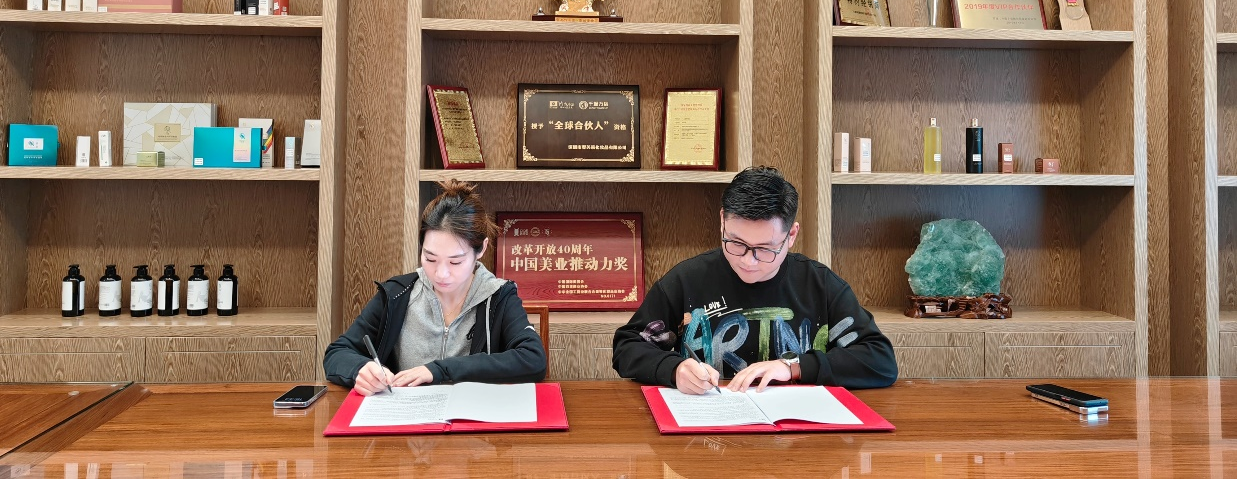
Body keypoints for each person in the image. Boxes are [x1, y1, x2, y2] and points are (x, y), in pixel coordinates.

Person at [612, 166, 897, 394]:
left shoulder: (820, 285)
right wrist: (673, 369)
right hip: (709, 433)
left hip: (798, 437)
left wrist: (794, 367)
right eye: (736, 243)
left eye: (765, 248)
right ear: (722, 221)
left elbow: (879, 360)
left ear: (791, 235)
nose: (749, 261)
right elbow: (627, 346)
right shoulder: (687, 280)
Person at [324, 180, 547, 394]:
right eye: (430, 258)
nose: (441, 273)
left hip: (472, 415)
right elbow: (337, 353)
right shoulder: (398, 294)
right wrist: (359, 370)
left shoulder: (498, 297)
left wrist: (440, 370)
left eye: (455, 262)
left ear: (481, 250)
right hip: (407, 415)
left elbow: (533, 359)